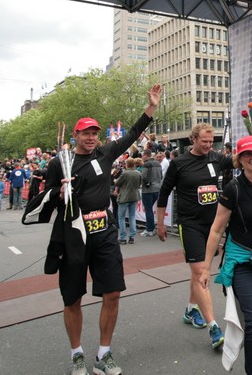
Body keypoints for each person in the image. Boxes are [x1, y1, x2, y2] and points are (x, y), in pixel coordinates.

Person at [42, 84, 162, 375]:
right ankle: (76, 355)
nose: (91, 137)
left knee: (113, 293)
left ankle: (104, 354)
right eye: (86, 133)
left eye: (95, 133)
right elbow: (44, 196)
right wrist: (59, 193)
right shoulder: (61, 163)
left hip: (104, 233)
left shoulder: (105, 154)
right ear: (76, 135)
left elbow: (133, 133)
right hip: (73, 235)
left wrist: (151, 107)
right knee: (73, 298)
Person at [202, 135, 252, 375]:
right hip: (242, 260)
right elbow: (216, 229)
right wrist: (205, 268)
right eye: (246, 154)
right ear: (239, 160)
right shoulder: (233, 188)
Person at [156, 123, 232, 351]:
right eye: (204, 141)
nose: (208, 145)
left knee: (197, 270)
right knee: (200, 272)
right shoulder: (179, 163)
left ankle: (191, 309)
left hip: (212, 226)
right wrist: (160, 223)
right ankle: (214, 328)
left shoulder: (216, 158)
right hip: (190, 224)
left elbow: (239, 161)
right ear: (193, 140)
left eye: (211, 141)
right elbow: (164, 193)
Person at [114, 158, 141, 245]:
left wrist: (115, 180)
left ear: (127, 164)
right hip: (134, 196)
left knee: (121, 217)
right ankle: (132, 237)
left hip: (124, 197)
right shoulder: (138, 173)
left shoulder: (125, 173)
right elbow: (140, 184)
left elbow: (117, 183)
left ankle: (123, 237)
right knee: (132, 216)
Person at [139, 150, 162, 237]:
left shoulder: (146, 164)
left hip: (148, 189)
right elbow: (161, 176)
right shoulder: (158, 164)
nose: (142, 157)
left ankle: (149, 229)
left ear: (145, 155)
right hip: (157, 188)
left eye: (142, 155)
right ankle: (151, 228)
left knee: (148, 209)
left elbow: (143, 177)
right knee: (149, 209)